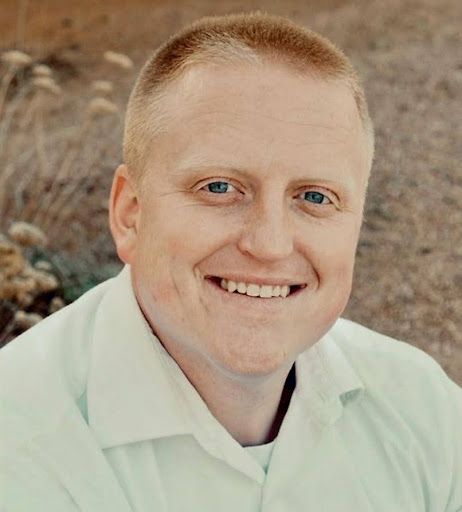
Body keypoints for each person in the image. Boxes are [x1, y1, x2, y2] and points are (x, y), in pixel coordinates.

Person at [1, 11, 461, 512]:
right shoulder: (20, 441)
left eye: (314, 197)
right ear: (130, 213)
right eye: (219, 187)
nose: (269, 244)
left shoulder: (425, 411)